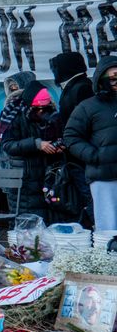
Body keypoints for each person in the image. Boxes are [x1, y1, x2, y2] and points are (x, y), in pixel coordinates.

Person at [65, 56, 117, 232]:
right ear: (102, 80)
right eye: (112, 78)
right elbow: (71, 136)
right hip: (103, 175)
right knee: (108, 226)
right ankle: (107, 258)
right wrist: (94, 156)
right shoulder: (88, 106)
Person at [1, 84, 62, 220]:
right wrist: (36, 144)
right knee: (26, 222)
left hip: (47, 177)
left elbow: (59, 136)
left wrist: (59, 146)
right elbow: (7, 145)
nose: (41, 112)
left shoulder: (52, 115)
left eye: (44, 109)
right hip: (23, 180)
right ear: (29, 106)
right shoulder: (14, 115)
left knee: (47, 220)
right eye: (38, 109)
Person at [53, 51, 97, 225]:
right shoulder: (74, 87)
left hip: (82, 153)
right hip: (74, 152)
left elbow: (84, 122)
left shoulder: (83, 87)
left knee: (88, 195)